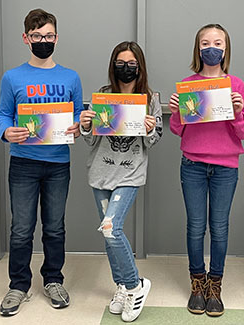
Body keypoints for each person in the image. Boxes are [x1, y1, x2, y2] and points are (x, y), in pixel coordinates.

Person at [0, 8, 83, 316]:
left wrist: (77, 124)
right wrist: (7, 131)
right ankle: (18, 285)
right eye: (37, 36)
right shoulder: (12, 77)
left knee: (55, 227)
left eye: (48, 36)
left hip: (58, 164)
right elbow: (3, 115)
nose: (43, 41)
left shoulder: (70, 77)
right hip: (23, 163)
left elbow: (76, 115)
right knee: (21, 228)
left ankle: (53, 279)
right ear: (26, 38)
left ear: (56, 38)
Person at [168, 24, 244, 317]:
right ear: (198, 48)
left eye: (217, 42)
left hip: (225, 167)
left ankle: (215, 285)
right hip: (192, 164)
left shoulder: (236, 84)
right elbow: (178, 130)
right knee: (195, 226)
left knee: (219, 228)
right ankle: (197, 282)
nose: (211, 47)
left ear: (226, 48)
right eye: (205, 42)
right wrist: (178, 111)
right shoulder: (188, 84)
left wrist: (240, 111)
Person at [79, 41, 162, 322]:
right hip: (100, 173)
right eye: (120, 63)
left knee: (112, 228)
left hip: (129, 173)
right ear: (113, 66)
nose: (125, 68)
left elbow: (153, 141)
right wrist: (87, 124)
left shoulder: (150, 98)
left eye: (131, 63)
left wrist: (149, 128)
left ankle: (136, 285)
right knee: (107, 234)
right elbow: (90, 139)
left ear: (140, 67)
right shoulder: (103, 95)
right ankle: (123, 287)